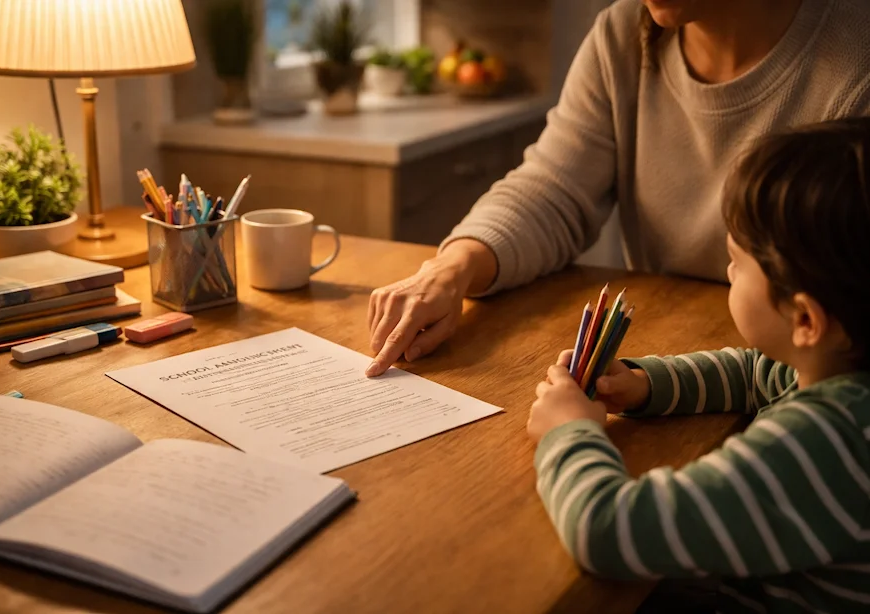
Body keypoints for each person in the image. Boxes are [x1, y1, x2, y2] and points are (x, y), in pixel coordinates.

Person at [364, 0, 870, 377]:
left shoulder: (856, 55)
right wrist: (452, 269)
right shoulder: (621, 33)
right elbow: (552, 187)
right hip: (665, 374)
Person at [527, 117, 870, 612]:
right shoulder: (837, 372)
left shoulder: (823, 444)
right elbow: (753, 374)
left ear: (804, 318)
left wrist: (568, 432)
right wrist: (645, 385)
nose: (728, 271)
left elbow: (607, 529)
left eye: (736, 261)